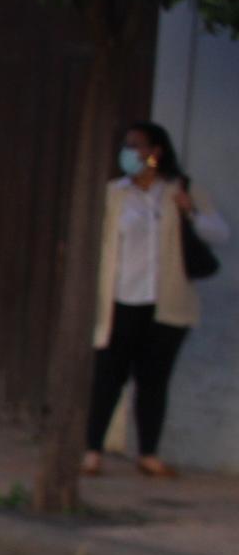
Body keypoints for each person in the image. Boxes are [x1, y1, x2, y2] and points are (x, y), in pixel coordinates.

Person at [83, 121, 229, 478]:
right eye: (126, 146)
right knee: (107, 378)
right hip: (120, 302)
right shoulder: (114, 194)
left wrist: (189, 210)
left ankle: (148, 453)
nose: (129, 153)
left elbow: (220, 233)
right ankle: (92, 451)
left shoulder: (179, 191)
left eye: (136, 145)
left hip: (164, 305)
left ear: (155, 151)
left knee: (153, 380)